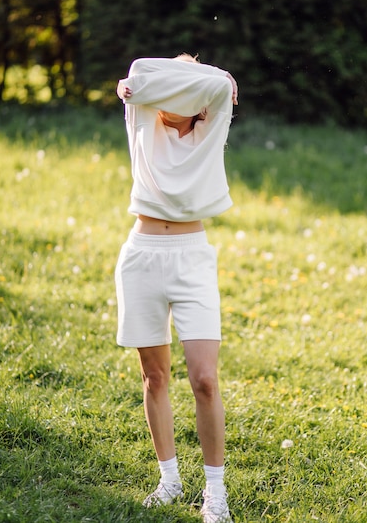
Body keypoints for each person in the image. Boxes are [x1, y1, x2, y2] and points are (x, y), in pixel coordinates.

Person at [115, 53, 238, 523]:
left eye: (184, 92)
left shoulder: (211, 129)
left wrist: (201, 81)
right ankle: (169, 479)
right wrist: (135, 87)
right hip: (142, 255)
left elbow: (223, 83)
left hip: (192, 257)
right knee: (156, 377)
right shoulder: (141, 115)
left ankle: (215, 494)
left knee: (205, 380)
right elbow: (140, 71)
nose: (172, 99)